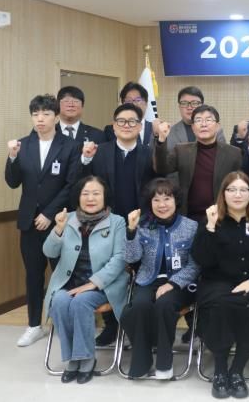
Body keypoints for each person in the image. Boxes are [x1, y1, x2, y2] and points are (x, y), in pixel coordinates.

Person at [192, 171, 249, 399]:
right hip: (217, 281)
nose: (238, 195)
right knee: (220, 305)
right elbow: (202, 259)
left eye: (243, 190)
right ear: (223, 194)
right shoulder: (211, 221)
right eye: (232, 190)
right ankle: (220, 370)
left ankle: (237, 370)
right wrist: (211, 227)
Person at [5, 94, 80, 347]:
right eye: (36, 114)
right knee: (33, 275)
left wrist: (49, 214)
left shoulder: (69, 146)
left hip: (59, 221)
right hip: (29, 222)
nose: (40, 119)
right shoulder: (23, 144)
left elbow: (71, 185)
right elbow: (13, 182)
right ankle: (34, 325)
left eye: (46, 114)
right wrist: (12, 157)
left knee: (64, 272)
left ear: (56, 117)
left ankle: (66, 322)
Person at [80, 103, 157, 346]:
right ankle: (111, 326)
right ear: (114, 126)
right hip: (106, 224)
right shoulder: (100, 152)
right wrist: (85, 159)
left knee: (142, 276)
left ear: (140, 126)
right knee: (107, 272)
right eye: (121, 121)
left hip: (142, 224)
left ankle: (139, 327)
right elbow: (83, 184)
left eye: (132, 121)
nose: (126, 125)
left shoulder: (149, 153)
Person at [43, 176, 129, 384]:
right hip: (69, 283)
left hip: (103, 285)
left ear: (105, 196)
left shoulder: (117, 222)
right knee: (59, 301)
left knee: (81, 302)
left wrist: (94, 283)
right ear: (78, 197)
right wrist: (58, 229)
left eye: (96, 193)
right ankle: (73, 358)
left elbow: (120, 258)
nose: (90, 198)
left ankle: (86, 358)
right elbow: (49, 252)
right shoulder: (67, 218)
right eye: (85, 193)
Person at [120, 178, 200, 380]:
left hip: (181, 283)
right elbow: (131, 258)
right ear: (150, 203)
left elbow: (195, 265)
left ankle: (164, 365)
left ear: (176, 201)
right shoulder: (142, 225)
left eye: (167, 199)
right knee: (138, 306)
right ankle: (141, 364)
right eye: (156, 200)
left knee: (164, 304)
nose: (162, 204)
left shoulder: (191, 226)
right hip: (148, 279)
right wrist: (131, 231)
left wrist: (172, 283)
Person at [153, 104, 243, 223]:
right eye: (198, 120)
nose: (203, 124)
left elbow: (240, 185)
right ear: (193, 128)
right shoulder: (181, 150)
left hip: (221, 217)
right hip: (188, 217)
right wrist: (161, 140)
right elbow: (161, 168)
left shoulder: (233, 153)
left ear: (217, 126)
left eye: (208, 120)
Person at [166, 86, 227, 150]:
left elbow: (222, 153)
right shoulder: (170, 132)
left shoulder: (215, 130)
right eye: (184, 103)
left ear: (202, 106)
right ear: (179, 107)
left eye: (194, 103)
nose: (189, 107)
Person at [104, 82, 158, 147]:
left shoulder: (155, 129)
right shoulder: (112, 129)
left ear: (146, 104)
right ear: (123, 105)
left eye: (138, 100)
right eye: (128, 101)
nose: (133, 104)